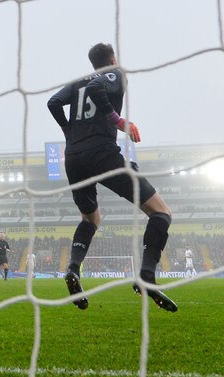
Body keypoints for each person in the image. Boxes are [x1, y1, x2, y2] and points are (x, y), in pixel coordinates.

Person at [47, 42, 177, 312]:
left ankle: (73, 269)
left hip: (73, 158)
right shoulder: (116, 73)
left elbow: (53, 102)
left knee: (91, 218)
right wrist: (119, 122)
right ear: (113, 58)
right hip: (102, 154)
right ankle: (146, 276)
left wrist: (67, 131)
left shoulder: (78, 81)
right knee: (161, 212)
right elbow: (97, 89)